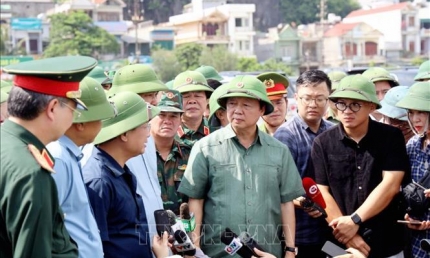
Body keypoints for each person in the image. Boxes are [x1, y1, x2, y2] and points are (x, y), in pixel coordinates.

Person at [178, 75, 305, 258]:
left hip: (267, 251)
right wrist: (195, 246)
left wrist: (290, 250)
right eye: (232, 104)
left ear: (262, 109)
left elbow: (286, 203)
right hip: (217, 253)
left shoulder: (279, 151)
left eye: (246, 105)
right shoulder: (206, 148)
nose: (237, 110)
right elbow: (195, 200)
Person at [0, 55, 97, 258]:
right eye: (73, 109)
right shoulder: (32, 172)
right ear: (52, 108)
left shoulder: (7, 144)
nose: (72, 118)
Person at [309, 74, 409, 258]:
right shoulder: (322, 143)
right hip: (337, 243)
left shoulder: (391, 137)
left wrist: (355, 220)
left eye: (355, 104)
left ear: (371, 106)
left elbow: (391, 185)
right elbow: (320, 192)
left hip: (387, 240)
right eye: (341, 104)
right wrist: (348, 235)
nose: (347, 110)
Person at [81, 63, 169, 252]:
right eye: (147, 95)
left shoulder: (126, 162)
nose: (153, 101)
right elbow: (95, 244)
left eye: (155, 95)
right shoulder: (98, 177)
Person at [46, 77, 116, 258]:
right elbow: (48, 227)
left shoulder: (70, 155)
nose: (102, 125)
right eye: (99, 118)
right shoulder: (59, 158)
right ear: (81, 123)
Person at [274, 70, 333, 258]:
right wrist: (306, 204)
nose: (313, 104)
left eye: (320, 99)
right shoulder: (286, 135)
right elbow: (277, 188)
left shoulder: (335, 131)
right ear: (296, 98)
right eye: (307, 98)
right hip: (302, 237)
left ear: (329, 99)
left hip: (332, 232)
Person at [396, 81, 430, 258]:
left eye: (422, 112)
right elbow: (405, 188)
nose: (415, 119)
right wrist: (409, 217)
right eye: (411, 113)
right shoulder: (413, 145)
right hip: (418, 244)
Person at [152, 90, 191, 214]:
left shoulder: (190, 154)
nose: (167, 121)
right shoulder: (139, 154)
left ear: (180, 120)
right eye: (162, 115)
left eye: (173, 116)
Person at [173, 71, 214, 147]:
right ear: (175, 101)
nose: (192, 101)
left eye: (197, 96)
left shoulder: (216, 134)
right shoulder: (168, 133)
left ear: (207, 100)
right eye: (186, 96)